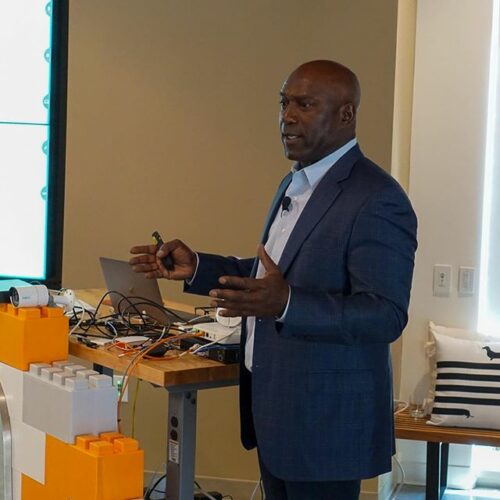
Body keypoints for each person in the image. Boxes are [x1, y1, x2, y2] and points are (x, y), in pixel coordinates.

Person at [130, 60, 417, 500]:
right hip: (277, 411)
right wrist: (199, 267)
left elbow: (385, 314)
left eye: (305, 105)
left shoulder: (377, 197)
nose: (288, 117)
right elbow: (274, 274)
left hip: (326, 426)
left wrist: (287, 304)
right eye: (284, 103)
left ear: (346, 114)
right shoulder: (294, 183)